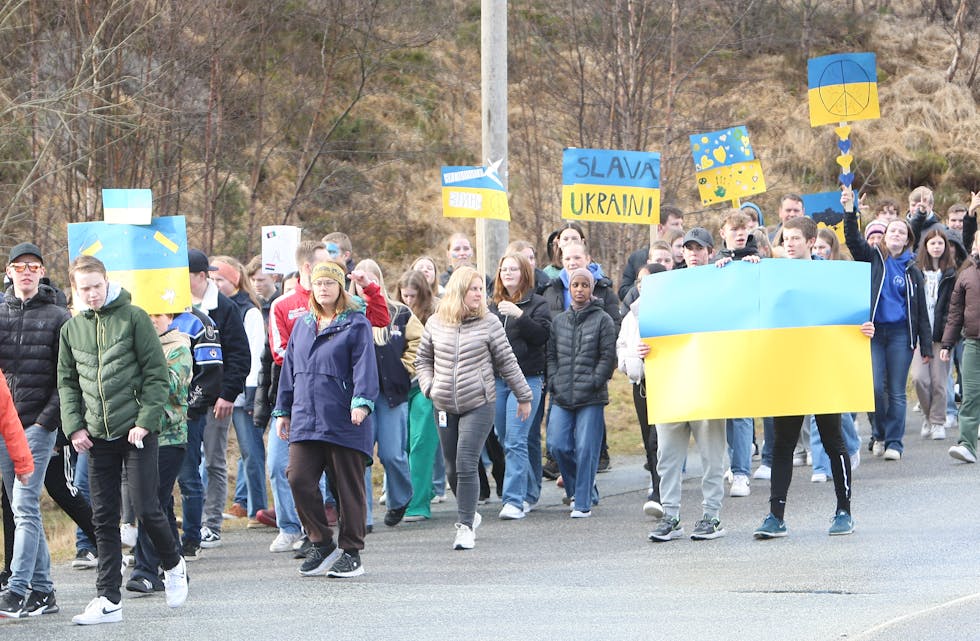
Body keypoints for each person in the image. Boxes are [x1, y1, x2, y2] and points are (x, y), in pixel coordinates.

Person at [58, 255, 187, 624]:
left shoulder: (134, 318)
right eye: (84, 289)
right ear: (75, 290)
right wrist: (75, 427)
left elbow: (157, 375)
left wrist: (145, 421)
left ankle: (173, 564)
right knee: (103, 519)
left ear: (106, 281)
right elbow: (67, 383)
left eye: (97, 286)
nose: (92, 294)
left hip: (137, 432)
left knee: (147, 507)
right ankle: (108, 598)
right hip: (96, 436)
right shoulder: (72, 330)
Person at [749, 216, 869, 539]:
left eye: (795, 238)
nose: (789, 243)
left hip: (822, 370)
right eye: (785, 238)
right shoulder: (770, 274)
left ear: (811, 241)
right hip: (788, 372)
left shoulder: (829, 276)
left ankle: (844, 510)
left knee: (832, 441)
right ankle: (776, 516)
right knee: (783, 444)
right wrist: (741, 266)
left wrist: (863, 327)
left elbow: (850, 313)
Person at [415, 266, 532, 550]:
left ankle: (465, 526)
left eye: (481, 288)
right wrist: (429, 387)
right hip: (442, 403)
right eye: (474, 289)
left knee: (467, 461)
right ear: (459, 291)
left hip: (479, 402)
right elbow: (422, 360)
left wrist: (523, 395)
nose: (480, 294)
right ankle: (470, 511)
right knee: (452, 466)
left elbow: (507, 361)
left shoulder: (489, 323)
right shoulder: (435, 323)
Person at [274, 261, 378, 577]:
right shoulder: (303, 325)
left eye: (330, 284)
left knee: (347, 486)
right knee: (297, 477)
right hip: (306, 418)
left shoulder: (355, 324)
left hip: (344, 418)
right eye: (319, 284)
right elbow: (289, 371)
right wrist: (283, 410)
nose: (323, 289)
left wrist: (361, 403)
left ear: (340, 289)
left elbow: (364, 366)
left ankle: (351, 551)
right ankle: (320, 541)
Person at [0, 242, 71, 618]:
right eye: (19, 266)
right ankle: (44, 592)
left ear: (42, 272)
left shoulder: (59, 316)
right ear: (9, 271)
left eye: (33, 266)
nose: (26, 271)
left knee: (25, 505)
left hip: (38, 425)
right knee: (19, 507)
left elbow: (67, 378)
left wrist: (47, 421)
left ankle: (16, 589)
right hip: (4, 425)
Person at [648, 228, 729, 542]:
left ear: (710, 251)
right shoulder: (665, 286)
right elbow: (641, 322)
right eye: (688, 248)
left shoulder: (723, 280)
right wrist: (640, 346)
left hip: (708, 381)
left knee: (711, 454)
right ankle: (670, 515)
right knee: (667, 454)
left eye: (699, 248)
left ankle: (712, 515)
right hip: (672, 381)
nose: (693, 253)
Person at [843, 186, 933, 460]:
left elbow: (920, 312)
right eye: (891, 230)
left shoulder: (912, 270)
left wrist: (926, 345)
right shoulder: (873, 259)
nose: (896, 234)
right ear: (884, 236)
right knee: (874, 388)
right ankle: (879, 432)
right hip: (873, 333)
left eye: (901, 232)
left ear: (907, 240)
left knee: (895, 390)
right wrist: (850, 212)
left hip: (899, 336)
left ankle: (895, 442)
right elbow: (853, 240)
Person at [182, 250, 249, 551]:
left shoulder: (224, 307)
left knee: (214, 460)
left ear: (200, 276)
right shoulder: (175, 306)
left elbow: (239, 354)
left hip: (215, 398)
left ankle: (212, 523)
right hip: (184, 397)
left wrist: (228, 393)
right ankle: (191, 521)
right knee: (187, 463)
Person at [350, 259, 420, 529]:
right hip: (359, 396)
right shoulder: (350, 313)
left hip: (391, 393)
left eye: (370, 279)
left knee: (392, 454)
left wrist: (405, 368)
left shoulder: (399, 313)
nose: (364, 285)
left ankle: (400, 498)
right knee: (361, 456)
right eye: (359, 281)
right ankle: (362, 516)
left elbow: (420, 342)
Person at [126, 313, 192, 595]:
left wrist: (148, 362)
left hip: (169, 437)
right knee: (159, 505)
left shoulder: (179, 347)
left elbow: (174, 389)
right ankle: (174, 562)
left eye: (158, 315)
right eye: (147, 315)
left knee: (150, 502)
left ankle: (145, 569)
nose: (152, 320)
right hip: (138, 435)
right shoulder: (133, 345)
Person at [547, 268, 616, 518]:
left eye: (584, 285)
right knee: (557, 445)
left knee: (586, 447)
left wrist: (595, 379)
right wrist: (554, 380)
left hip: (591, 395)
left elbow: (608, 357)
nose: (579, 289)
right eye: (575, 285)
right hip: (562, 394)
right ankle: (580, 488)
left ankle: (583, 502)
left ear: (591, 288)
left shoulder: (603, 320)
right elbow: (552, 356)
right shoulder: (559, 322)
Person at [489, 252, 550, 519]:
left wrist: (519, 316)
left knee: (515, 439)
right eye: (504, 269)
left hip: (527, 380)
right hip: (497, 381)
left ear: (524, 272)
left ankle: (513, 500)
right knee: (509, 438)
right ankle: (530, 491)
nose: (507, 273)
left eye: (513, 269)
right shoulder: (492, 306)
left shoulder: (538, 304)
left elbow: (542, 336)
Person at [210, 256, 268, 525]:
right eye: (212, 279)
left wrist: (247, 391)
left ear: (233, 280)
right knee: (210, 454)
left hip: (246, 389)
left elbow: (254, 354)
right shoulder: (212, 307)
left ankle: (258, 507)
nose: (215, 284)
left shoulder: (248, 310)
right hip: (218, 388)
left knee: (250, 451)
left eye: (220, 279)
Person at [617, 263, 666, 518]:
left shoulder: (670, 311)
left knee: (660, 440)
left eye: (646, 281)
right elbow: (623, 342)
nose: (640, 287)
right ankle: (657, 486)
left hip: (665, 383)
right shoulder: (631, 315)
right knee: (649, 440)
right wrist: (627, 362)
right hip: (641, 384)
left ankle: (660, 493)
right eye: (638, 282)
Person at [394, 270, 441, 522]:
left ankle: (418, 503)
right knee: (403, 443)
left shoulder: (437, 312)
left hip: (429, 385)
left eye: (413, 295)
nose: (409, 300)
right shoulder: (395, 313)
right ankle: (422, 489)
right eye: (405, 295)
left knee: (421, 441)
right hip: (401, 386)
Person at [911, 228, 957, 441]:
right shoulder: (916, 271)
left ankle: (937, 421)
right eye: (932, 243)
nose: (936, 247)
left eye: (940, 243)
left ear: (946, 247)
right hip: (921, 334)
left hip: (942, 334)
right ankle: (929, 417)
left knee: (939, 381)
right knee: (920, 379)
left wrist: (950, 336)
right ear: (925, 247)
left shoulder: (951, 273)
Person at [619, 206, 685, 300]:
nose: (680, 229)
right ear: (659, 227)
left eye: (667, 260)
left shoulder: (683, 257)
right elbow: (623, 292)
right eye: (675, 224)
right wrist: (643, 284)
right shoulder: (638, 257)